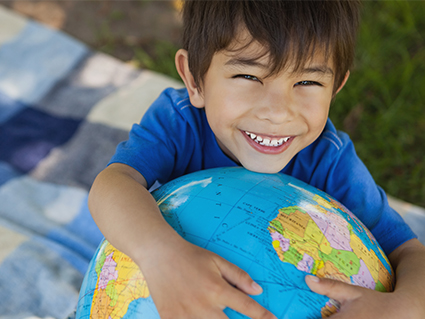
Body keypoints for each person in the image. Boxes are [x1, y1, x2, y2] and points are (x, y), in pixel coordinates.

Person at [89, 1, 425, 318]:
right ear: (194, 78)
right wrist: (161, 256)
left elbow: (410, 253)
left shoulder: (330, 161)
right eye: (249, 77)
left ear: (335, 88)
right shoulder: (180, 123)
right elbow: (114, 183)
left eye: (307, 81)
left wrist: (404, 307)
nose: (278, 112)